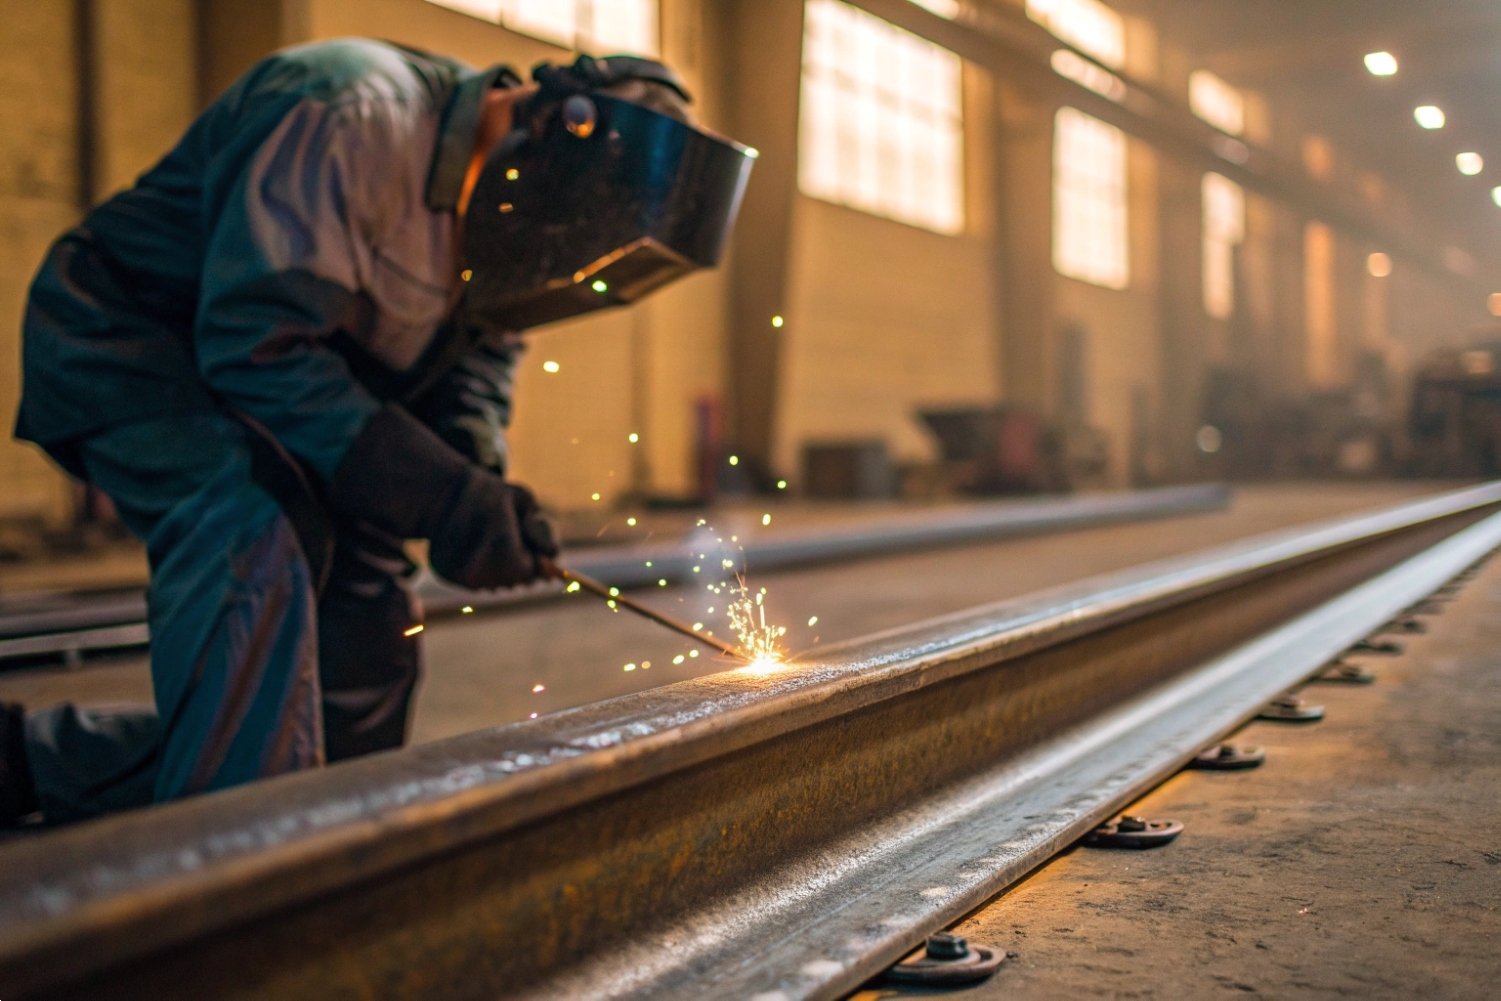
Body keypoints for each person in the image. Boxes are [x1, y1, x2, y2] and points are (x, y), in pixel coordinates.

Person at [0, 38, 754, 826]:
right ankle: (231, 871)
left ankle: (40, 766)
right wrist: (436, 491)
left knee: (363, 633)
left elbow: (475, 369)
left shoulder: (511, 232)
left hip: (290, 388)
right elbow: (257, 347)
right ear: (546, 136)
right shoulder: (350, 114)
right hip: (135, 344)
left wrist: (474, 485)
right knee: (254, 530)